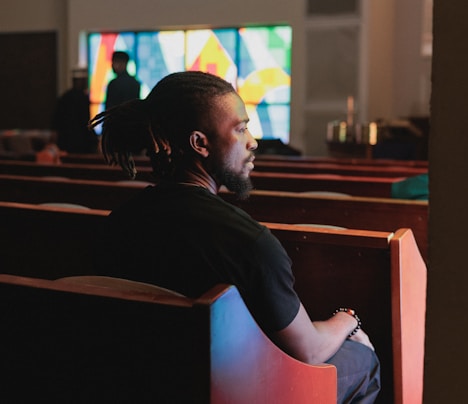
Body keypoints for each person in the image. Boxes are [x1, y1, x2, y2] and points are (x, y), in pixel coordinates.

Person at [89, 71, 380, 403]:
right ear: (200, 143)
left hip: (144, 383)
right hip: (229, 391)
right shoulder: (247, 242)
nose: (252, 141)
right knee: (363, 360)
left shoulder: (120, 221)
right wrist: (348, 319)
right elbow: (309, 351)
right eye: (240, 129)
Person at [51, 68, 98, 153]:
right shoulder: (83, 98)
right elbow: (85, 121)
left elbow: (56, 121)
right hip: (81, 142)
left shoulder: (64, 97)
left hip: (66, 142)